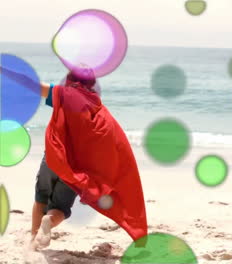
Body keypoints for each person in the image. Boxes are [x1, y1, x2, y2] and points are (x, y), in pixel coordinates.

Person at [0, 65, 147, 251]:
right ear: (91, 83)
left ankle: (33, 241)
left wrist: (4, 70)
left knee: (41, 197)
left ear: (69, 79)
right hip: (74, 171)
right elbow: (110, 142)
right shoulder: (97, 107)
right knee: (60, 208)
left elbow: (29, 83)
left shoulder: (61, 94)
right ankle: (48, 222)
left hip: (52, 159)